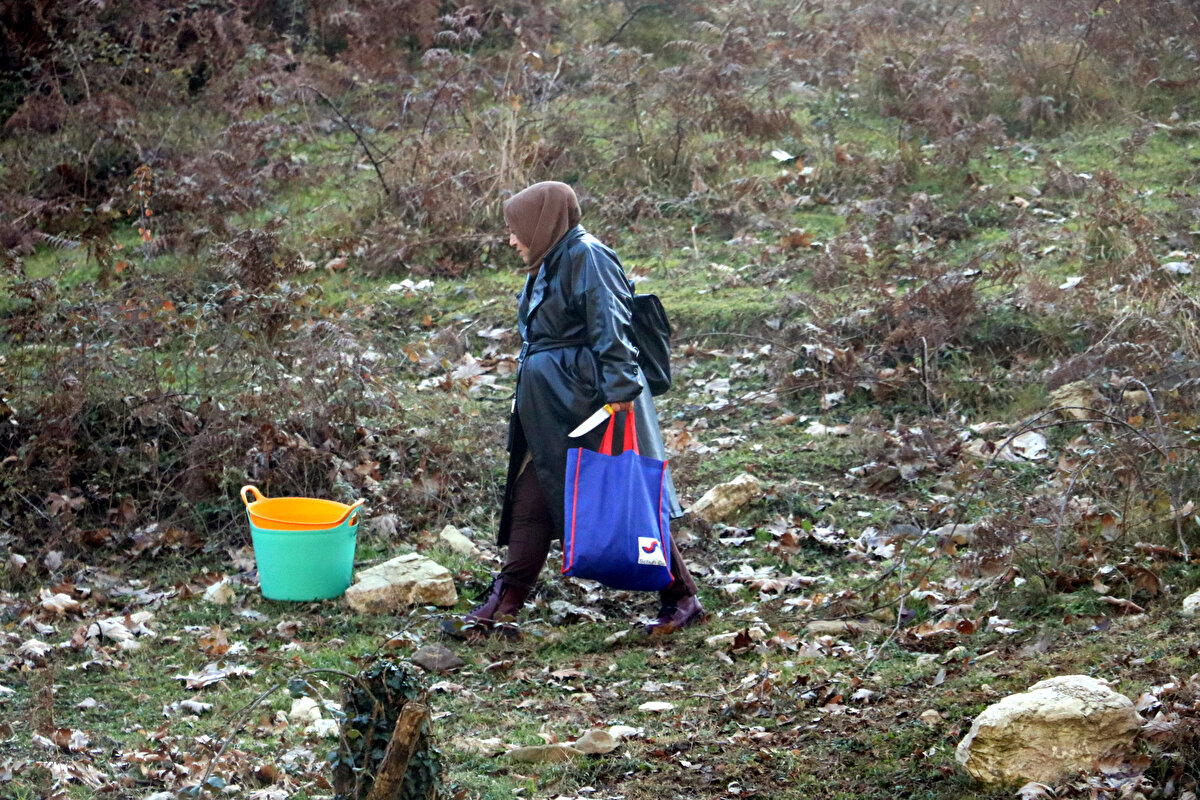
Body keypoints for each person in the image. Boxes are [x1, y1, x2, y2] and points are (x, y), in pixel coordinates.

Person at [441, 181, 705, 640]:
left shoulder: (587, 255)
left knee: (628, 495)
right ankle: (505, 602)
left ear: (542, 223)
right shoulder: (549, 261)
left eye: (515, 229)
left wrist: (620, 392)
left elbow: (611, 323)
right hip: (552, 405)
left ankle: (682, 597)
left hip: (591, 402)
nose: (511, 239)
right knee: (531, 497)